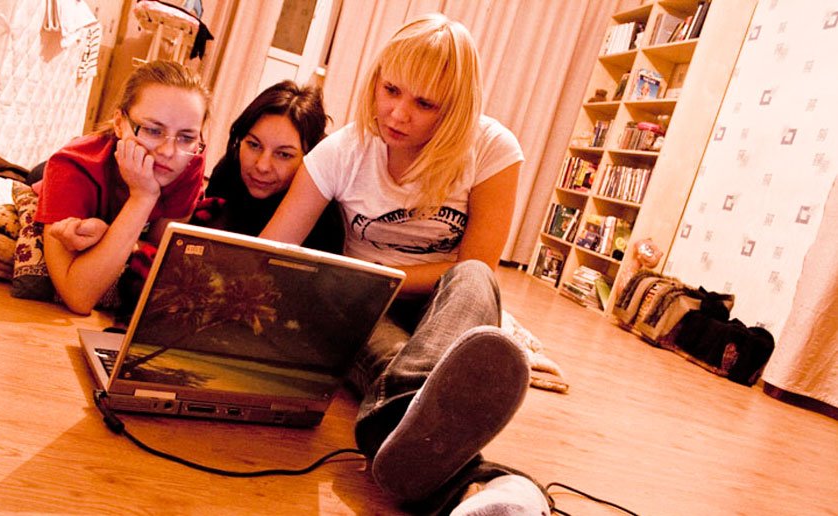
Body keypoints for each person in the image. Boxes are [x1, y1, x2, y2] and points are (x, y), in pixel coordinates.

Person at [261, 14, 552, 516]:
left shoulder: (492, 149)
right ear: (376, 80)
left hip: (451, 308)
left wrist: (379, 277)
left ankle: (400, 411)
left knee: (473, 278)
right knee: (397, 361)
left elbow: (478, 264)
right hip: (370, 307)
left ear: (456, 108)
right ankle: (488, 491)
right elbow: (271, 251)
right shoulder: (342, 152)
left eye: (425, 103)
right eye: (391, 89)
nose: (397, 113)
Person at [35, 60, 209, 315]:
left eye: (186, 137)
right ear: (119, 123)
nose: (169, 151)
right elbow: (78, 295)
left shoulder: (190, 160)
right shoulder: (71, 166)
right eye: (153, 130)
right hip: (55, 176)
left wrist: (107, 234)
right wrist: (143, 196)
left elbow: (159, 251)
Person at [191, 80, 343, 254]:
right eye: (254, 145)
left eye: (284, 154)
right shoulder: (228, 172)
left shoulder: (324, 217)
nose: (262, 166)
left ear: (309, 159)